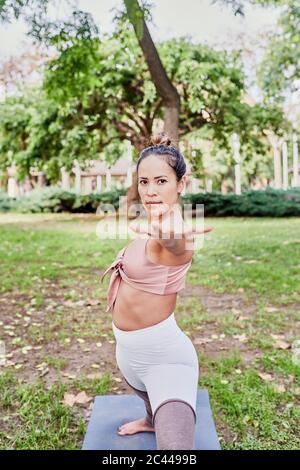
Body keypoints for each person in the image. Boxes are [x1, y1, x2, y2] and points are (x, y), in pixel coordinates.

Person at [101, 132, 214, 450]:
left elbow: (175, 245)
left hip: (166, 361)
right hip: (129, 356)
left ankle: (161, 415)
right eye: (144, 181)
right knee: (147, 397)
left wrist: (170, 235)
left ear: (181, 183)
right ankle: (150, 419)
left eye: (161, 181)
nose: (150, 191)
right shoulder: (154, 221)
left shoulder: (178, 236)